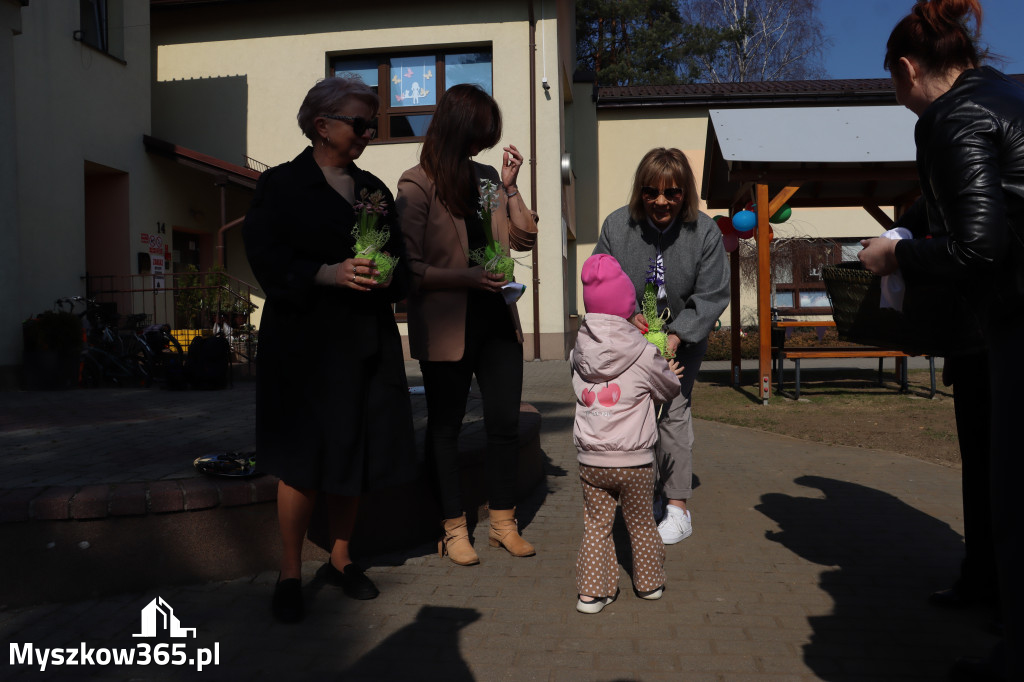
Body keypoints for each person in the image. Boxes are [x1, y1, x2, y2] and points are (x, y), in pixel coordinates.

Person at [858, 1, 1024, 678]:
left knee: (1012, 493)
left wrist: (894, 258)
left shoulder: (951, 117)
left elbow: (979, 244)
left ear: (906, 70)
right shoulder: (1006, 95)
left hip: (1016, 318)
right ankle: (993, 597)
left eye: (894, 88)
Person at [243, 76, 417, 623]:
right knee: (302, 459)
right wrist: (327, 272)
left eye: (374, 123)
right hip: (303, 346)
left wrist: (385, 273)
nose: (369, 132)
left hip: (364, 342)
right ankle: (290, 570)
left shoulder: (375, 190)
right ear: (322, 126)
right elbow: (266, 260)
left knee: (353, 451)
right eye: (361, 123)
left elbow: (404, 272)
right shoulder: (280, 186)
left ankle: (341, 559)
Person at [396, 83, 538, 566]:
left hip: (498, 320)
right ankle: (453, 528)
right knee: (446, 429)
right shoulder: (416, 184)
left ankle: (502, 523)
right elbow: (408, 268)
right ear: (457, 129)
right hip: (447, 328)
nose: (482, 146)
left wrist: (512, 184)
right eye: (478, 135)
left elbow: (524, 238)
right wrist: (467, 277)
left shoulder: (485, 180)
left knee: (503, 425)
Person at [593, 147, 730, 545]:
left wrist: (676, 334)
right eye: (651, 192)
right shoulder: (617, 227)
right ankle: (645, 492)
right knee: (633, 414)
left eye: (672, 193)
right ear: (640, 191)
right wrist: (630, 315)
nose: (661, 202)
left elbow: (712, 293)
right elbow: (601, 277)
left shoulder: (704, 232)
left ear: (685, 193)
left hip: (683, 335)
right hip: (630, 334)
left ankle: (677, 507)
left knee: (673, 410)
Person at [571, 253, 684, 614]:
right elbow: (667, 390)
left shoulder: (579, 351)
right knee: (641, 524)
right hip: (634, 462)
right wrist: (669, 371)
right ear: (626, 306)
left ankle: (591, 594)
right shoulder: (642, 351)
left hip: (591, 460)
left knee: (596, 526)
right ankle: (649, 584)